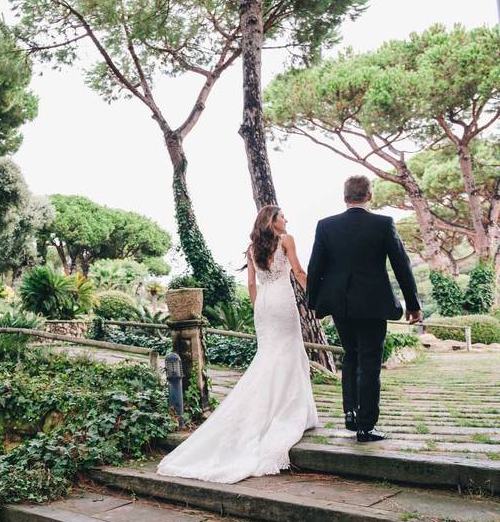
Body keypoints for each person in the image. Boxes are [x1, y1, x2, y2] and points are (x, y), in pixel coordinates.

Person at [157, 205, 318, 483]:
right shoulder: (286, 241)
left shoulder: (252, 248)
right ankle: (290, 410)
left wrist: (259, 310)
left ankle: (275, 406)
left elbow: (252, 285)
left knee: (269, 356)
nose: (287, 220)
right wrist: (316, 298)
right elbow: (299, 272)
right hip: (281, 300)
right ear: (272, 221)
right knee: (288, 352)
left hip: (265, 304)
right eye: (283, 216)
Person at [307, 175, 421, 442]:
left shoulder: (326, 225)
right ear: (369, 196)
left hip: (341, 305)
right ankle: (366, 427)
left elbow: (315, 268)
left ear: (345, 197)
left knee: (351, 356)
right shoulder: (383, 224)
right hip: (373, 304)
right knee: (369, 362)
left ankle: (351, 415)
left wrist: (315, 305)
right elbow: (401, 265)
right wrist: (412, 304)